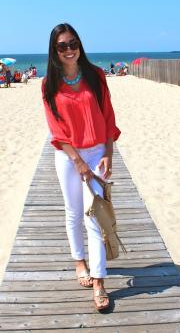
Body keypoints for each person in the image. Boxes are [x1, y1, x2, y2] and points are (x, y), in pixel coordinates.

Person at [42, 23, 121, 311]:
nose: (69, 49)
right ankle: (79, 261)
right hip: (67, 156)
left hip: (97, 153)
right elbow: (56, 130)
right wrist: (77, 161)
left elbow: (108, 116)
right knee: (73, 212)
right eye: (62, 45)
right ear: (54, 50)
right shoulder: (49, 84)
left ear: (79, 44)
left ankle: (99, 281)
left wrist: (108, 153)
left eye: (72, 42)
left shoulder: (96, 76)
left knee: (95, 217)